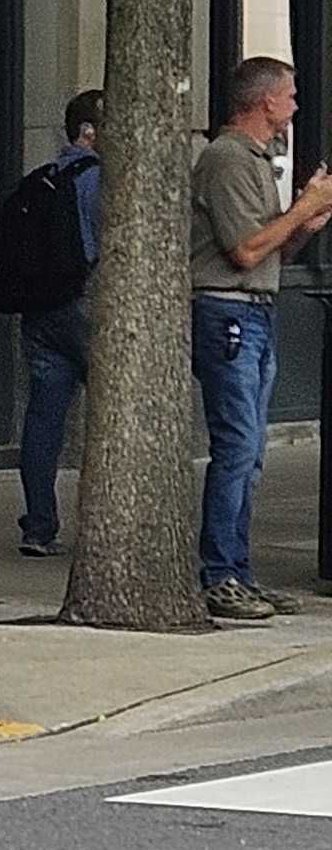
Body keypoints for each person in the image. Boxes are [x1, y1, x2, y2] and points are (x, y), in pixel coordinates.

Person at [188, 58, 332, 622]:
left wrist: (303, 223)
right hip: (227, 311)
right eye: (290, 96)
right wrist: (301, 207)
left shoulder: (254, 160)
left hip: (252, 310)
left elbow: (266, 251)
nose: (295, 107)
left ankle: (238, 571)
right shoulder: (227, 159)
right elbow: (243, 252)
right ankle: (220, 573)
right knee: (237, 446)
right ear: (264, 101)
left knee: (249, 454)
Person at [2, 90, 104, 559]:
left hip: (40, 311)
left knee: (43, 421)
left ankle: (38, 525)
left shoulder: (38, 181)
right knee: (111, 413)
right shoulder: (99, 180)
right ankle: (106, 522)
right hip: (85, 307)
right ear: (89, 132)